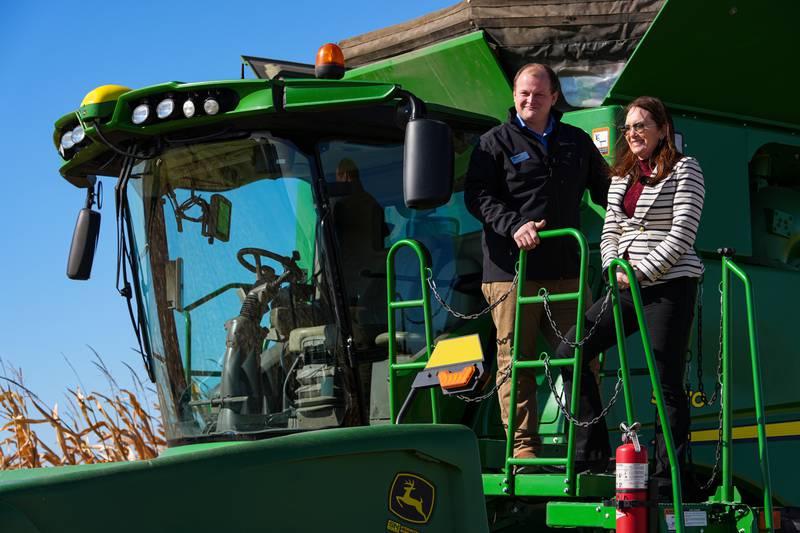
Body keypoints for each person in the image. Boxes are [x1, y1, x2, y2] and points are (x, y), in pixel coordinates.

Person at [465, 63, 609, 465]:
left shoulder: (576, 143)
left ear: (554, 98)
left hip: (565, 273)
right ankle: (523, 447)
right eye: (523, 93)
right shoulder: (492, 143)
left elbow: (607, 191)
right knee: (517, 361)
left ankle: (587, 447)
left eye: (539, 94)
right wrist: (514, 226)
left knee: (582, 356)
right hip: (512, 274)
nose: (530, 100)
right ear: (514, 95)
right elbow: (477, 197)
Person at [554, 96, 704, 480]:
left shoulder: (686, 170)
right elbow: (611, 229)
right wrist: (612, 267)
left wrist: (639, 271)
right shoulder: (622, 175)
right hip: (623, 285)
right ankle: (591, 453)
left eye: (641, 126)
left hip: (669, 285)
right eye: (628, 127)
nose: (633, 133)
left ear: (662, 130)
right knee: (570, 349)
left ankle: (669, 471)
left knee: (664, 378)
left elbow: (682, 233)